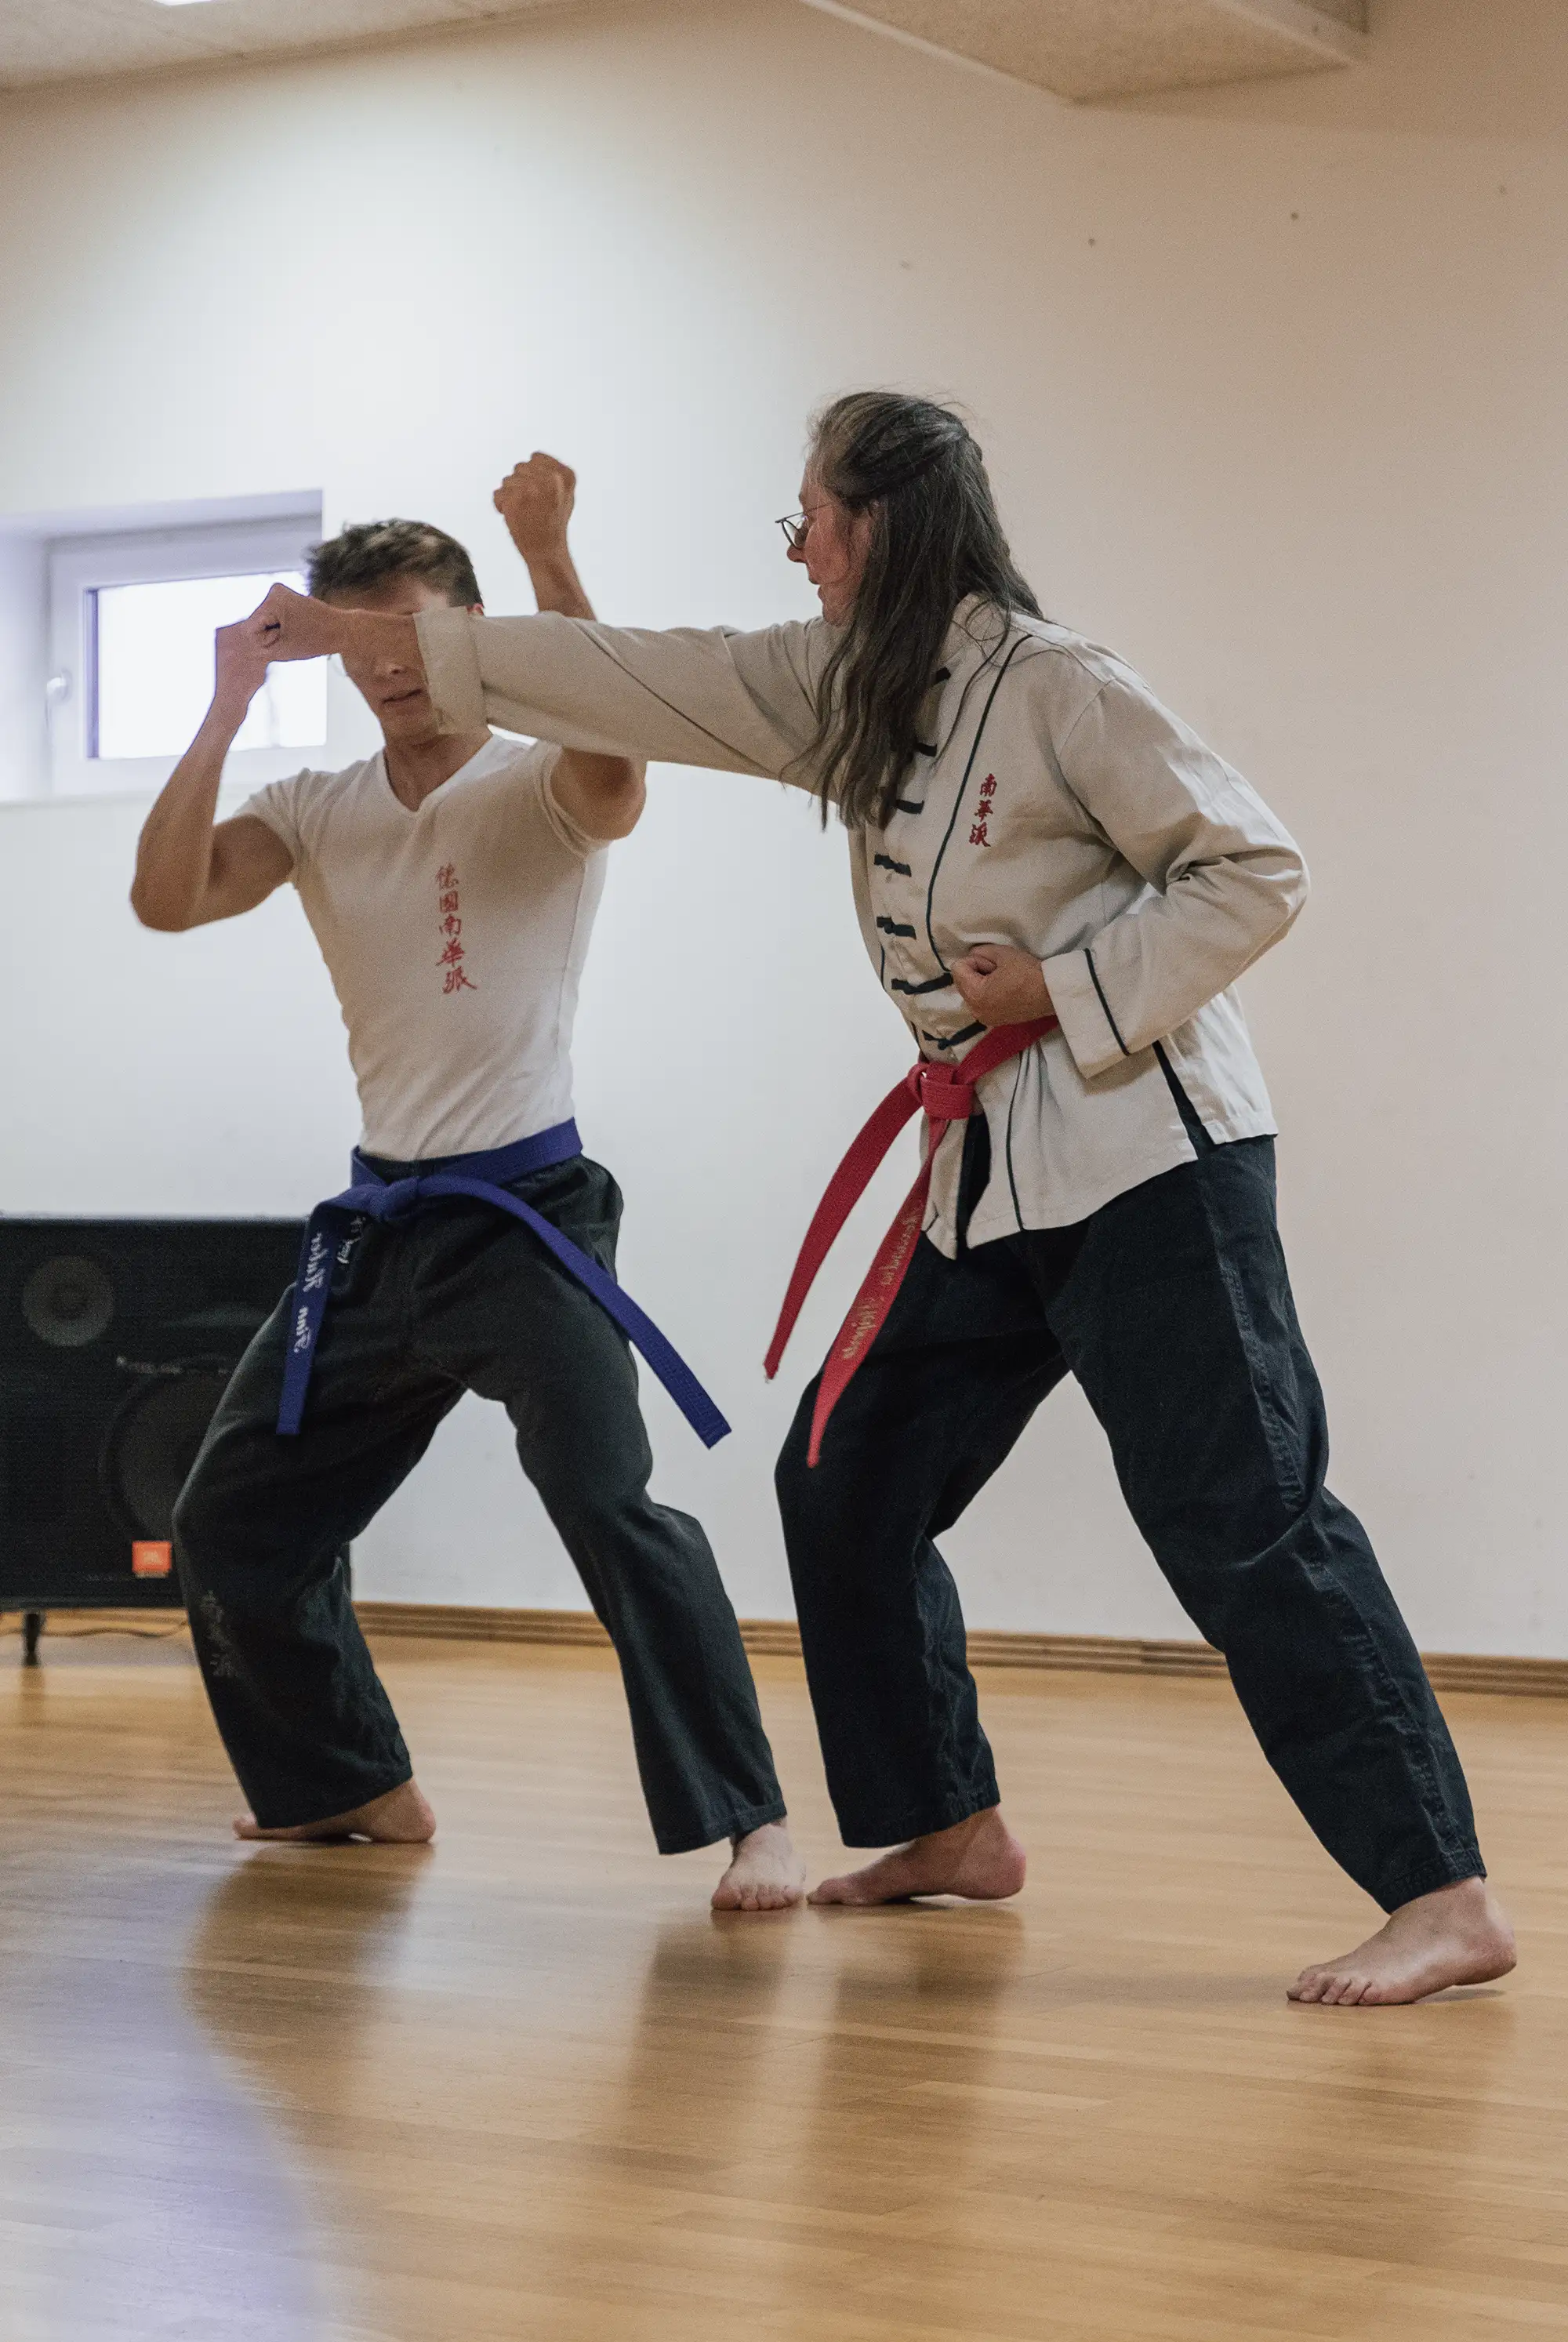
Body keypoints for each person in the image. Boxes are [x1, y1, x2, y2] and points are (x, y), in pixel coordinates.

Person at [249, 398, 1517, 2006]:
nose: (798, 552)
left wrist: (1058, 986)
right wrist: (367, 634)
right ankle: (941, 1824)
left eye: (809, 521)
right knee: (847, 1477)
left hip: (1151, 1161)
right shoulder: (839, 686)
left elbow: (1254, 871)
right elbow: (646, 676)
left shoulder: (1059, 689)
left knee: (1240, 1517)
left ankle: (1438, 1890)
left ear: (882, 525)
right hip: (989, 1171)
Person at [132, 459, 804, 1912]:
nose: (387, 672)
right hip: (377, 1235)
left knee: (607, 1502)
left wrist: (550, 551)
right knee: (234, 1517)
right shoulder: (315, 805)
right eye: (358, 647)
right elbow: (167, 897)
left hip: (528, 1221)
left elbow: (620, 768)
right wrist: (227, 701)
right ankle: (351, 1786)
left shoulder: (538, 775)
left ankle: (752, 1816)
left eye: (410, 641)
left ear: (468, 634)